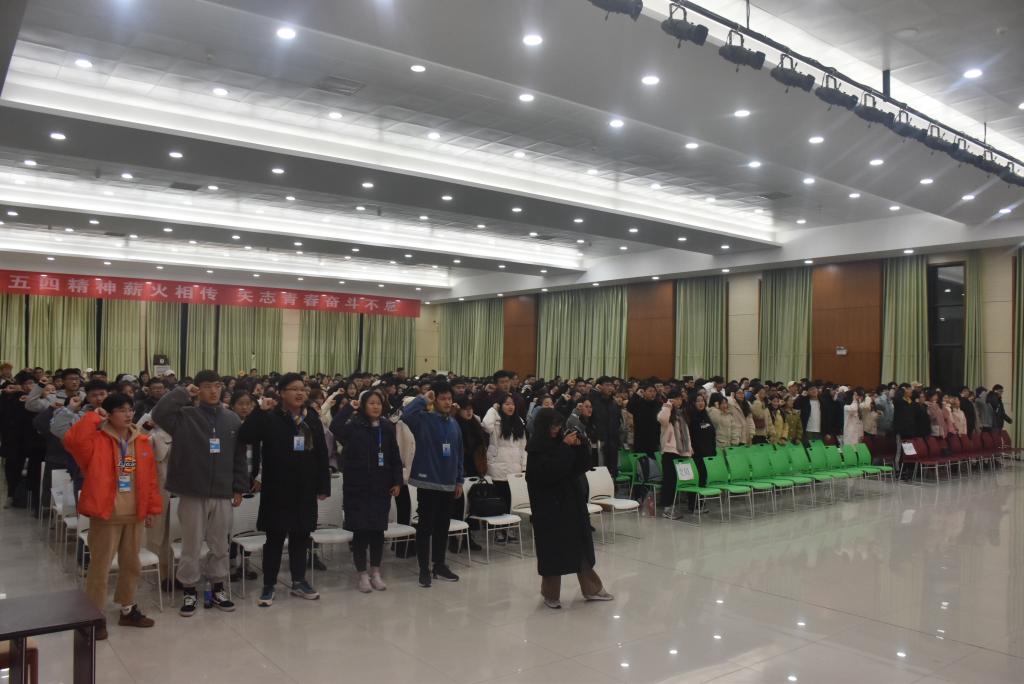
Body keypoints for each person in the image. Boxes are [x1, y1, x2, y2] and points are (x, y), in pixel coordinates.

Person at [62, 393, 162, 640]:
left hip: (134, 513)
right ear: (109, 413)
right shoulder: (96, 440)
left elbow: (150, 479)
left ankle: (127, 609)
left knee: (131, 565)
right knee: (100, 567)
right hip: (107, 514)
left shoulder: (141, 440)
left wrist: (150, 509)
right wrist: (92, 417)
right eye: (121, 410)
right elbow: (72, 441)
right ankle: (94, 616)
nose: (128, 414)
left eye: (130, 409)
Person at [151, 370, 247, 617]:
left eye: (217, 386)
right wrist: (182, 393)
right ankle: (189, 589)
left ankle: (218, 587)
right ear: (197, 389)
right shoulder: (184, 416)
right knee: (191, 544)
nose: (213, 391)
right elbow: (159, 414)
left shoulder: (232, 419)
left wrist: (238, 487)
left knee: (220, 544)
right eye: (206, 386)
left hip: (222, 492)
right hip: (192, 491)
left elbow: (238, 456)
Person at [239, 373, 331, 606]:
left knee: (301, 537)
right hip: (278, 489)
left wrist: (323, 484)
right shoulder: (270, 417)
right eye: (294, 389)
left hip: (305, 489)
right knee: (275, 539)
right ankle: (269, 585)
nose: (300, 393)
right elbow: (245, 435)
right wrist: (259, 411)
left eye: (302, 389)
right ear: (281, 393)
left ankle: (299, 581)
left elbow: (322, 453)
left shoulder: (311, 419)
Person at [525, 408, 612, 609]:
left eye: (558, 425)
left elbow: (579, 467)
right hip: (549, 509)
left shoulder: (561, 443)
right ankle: (550, 594)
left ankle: (592, 588)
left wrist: (579, 448)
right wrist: (565, 447)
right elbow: (549, 473)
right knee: (552, 553)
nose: (556, 429)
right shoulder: (536, 449)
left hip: (571, 504)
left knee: (580, 548)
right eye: (552, 426)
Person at [332, 389, 402, 593]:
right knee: (361, 533)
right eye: (371, 403)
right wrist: (349, 407)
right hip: (358, 488)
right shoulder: (354, 426)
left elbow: (394, 456)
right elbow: (335, 427)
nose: (375, 406)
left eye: (378, 403)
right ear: (363, 405)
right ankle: (362, 574)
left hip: (381, 487)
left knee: (378, 532)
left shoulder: (387, 427)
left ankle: (376, 572)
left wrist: (397, 481)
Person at [402, 381, 463, 588]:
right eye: (442, 398)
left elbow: (459, 453)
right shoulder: (423, 419)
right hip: (428, 482)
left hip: (448, 484)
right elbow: (405, 415)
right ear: (435, 400)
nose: (447, 402)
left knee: (442, 528)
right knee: (425, 527)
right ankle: (423, 569)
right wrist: (423, 398)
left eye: (449, 398)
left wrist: (459, 480)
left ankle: (439, 565)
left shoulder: (454, 424)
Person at [482, 394, 527, 543]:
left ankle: (509, 528)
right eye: (506, 404)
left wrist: (523, 466)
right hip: (498, 467)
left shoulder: (519, 421)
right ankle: (498, 530)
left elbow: (523, 446)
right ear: (500, 405)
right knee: (499, 500)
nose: (510, 406)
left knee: (510, 500)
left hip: (514, 468)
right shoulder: (495, 420)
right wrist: (493, 409)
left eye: (512, 404)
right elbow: (485, 425)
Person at [657, 388, 691, 519]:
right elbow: (661, 418)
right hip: (669, 451)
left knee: (677, 480)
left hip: (682, 451)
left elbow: (686, 434)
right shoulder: (666, 411)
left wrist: (689, 449)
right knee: (669, 481)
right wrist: (668, 405)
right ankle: (667, 508)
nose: (679, 401)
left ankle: (673, 506)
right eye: (676, 398)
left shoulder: (682, 414)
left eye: (680, 398)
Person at [588, 377, 622, 479]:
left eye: (611, 385)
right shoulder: (593, 401)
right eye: (607, 385)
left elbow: (618, 421)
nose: (610, 388)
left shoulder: (614, 403)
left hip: (612, 441)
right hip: (599, 441)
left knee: (612, 471)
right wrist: (594, 433)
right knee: (600, 470)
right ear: (600, 387)